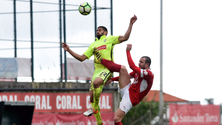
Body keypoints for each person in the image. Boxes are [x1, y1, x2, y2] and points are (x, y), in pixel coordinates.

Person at [61, 15, 137, 125]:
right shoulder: (94, 44)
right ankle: (99, 122)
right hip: (97, 72)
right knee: (92, 99)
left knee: (96, 83)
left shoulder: (110, 39)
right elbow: (82, 58)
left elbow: (125, 37)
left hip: (107, 69)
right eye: (97, 30)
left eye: (100, 30)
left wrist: (130, 24)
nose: (98, 31)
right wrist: (68, 50)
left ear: (105, 32)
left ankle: (94, 109)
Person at [94, 44, 154, 125]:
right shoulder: (140, 71)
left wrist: (128, 51)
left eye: (141, 62)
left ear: (147, 65)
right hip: (127, 89)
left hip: (131, 98)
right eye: (139, 61)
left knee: (116, 119)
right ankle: (101, 60)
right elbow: (126, 76)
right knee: (122, 69)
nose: (139, 63)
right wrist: (112, 79)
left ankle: (102, 61)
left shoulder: (149, 74)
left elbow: (132, 66)